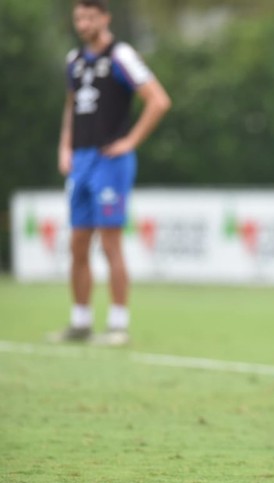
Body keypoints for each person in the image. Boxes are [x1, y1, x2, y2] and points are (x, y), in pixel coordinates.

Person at [52, 0, 171, 346]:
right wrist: (65, 147)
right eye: (79, 17)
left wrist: (130, 141)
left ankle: (118, 325)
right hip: (81, 160)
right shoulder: (73, 61)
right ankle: (80, 322)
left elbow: (158, 100)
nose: (83, 23)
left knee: (109, 242)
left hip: (110, 161)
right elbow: (72, 106)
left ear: (105, 18)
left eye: (90, 17)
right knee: (77, 243)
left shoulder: (122, 55)